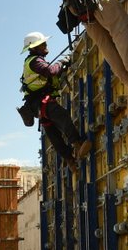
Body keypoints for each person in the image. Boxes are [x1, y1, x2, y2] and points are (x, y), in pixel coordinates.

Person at [18, 31, 91, 164]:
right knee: (63, 116)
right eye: (42, 44)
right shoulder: (35, 61)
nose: (46, 45)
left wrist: (61, 68)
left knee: (54, 134)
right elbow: (51, 71)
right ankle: (78, 144)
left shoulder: (32, 62)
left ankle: (70, 161)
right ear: (34, 48)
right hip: (41, 102)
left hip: (36, 105)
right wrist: (62, 62)